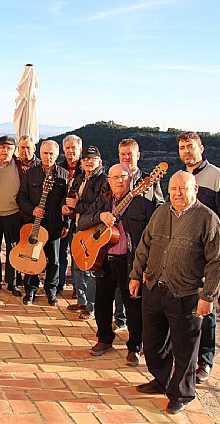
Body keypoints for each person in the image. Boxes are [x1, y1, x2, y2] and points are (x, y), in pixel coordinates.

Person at [130, 171, 220, 415]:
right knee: (153, 343)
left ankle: (181, 393)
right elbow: (145, 244)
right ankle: (161, 380)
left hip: (186, 294)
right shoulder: (161, 212)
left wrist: (208, 297)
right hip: (154, 288)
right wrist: (135, 274)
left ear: (195, 190)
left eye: (183, 188)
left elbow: (217, 261)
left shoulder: (207, 218)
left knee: (185, 350)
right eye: (173, 189)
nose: (177, 193)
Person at [177, 131, 220, 384]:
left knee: (207, 309)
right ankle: (185, 358)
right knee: (183, 306)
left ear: (201, 147)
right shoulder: (180, 177)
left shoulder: (217, 177)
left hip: (210, 255)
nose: (186, 151)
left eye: (190, 146)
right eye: (181, 147)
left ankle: (205, 361)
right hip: (184, 254)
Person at [79, 164, 155, 365]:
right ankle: (104, 339)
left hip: (129, 263)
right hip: (103, 260)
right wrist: (99, 217)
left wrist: (145, 268)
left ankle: (134, 348)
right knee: (102, 302)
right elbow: (82, 223)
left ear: (131, 179)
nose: (119, 181)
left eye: (123, 177)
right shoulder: (102, 203)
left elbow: (153, 238)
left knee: (133, 307)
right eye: (114, 178)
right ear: (109, 181)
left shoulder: (143, 205)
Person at [114, 138, 166, 332]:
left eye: (130, 154)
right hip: (117, 241)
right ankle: (120, 319)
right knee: (120, 284)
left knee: (139, 286)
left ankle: (140, 329)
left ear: (138, 155)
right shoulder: (114, 177)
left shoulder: (149, 179)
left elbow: (160, 204)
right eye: (123, 154)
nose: (126, 157)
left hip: (143, 242)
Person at [16, 140, 69, 306]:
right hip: (34, 224)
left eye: (51, 153)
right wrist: (32, 210)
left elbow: (68, 202)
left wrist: (65, 223)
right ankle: (30, 289)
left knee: (54, 260)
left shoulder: (64, 175)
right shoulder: (31, 173)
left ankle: (51, 290)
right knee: (32, 257)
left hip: (54, 225)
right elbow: (21, 197)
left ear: (57, 154)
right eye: (45, 153)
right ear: (40, 153)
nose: (48, 156)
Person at [64, 146, 108, 319]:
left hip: (92, 229)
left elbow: (98, 207)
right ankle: (82, 300)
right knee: (77, 266)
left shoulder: (103, 181)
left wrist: (76, 206)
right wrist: (67, 207)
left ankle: (91, 305)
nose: (89, 162)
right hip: (77, 227)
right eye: (85, 159)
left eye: (92, 159)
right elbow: (72, 198)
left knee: (89, 268)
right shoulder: (81, 177)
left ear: (100, 161)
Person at [0, 135, 24, 297]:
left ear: (14, 150)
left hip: (13, 214)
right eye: (2, 147)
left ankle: (12, 283)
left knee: (12, 250)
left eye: (8, 148)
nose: (5, 151)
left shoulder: (19, 166)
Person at [57, 135, 83, 294]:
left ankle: (78, 287)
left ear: (80, 149)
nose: (70, 151)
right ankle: (58, 284)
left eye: (73, 148)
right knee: (60, 254)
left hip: (80, 219)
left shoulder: (87, 169)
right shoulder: (59, 168)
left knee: (78, 255)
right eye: (67, 148)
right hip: (61, 218)